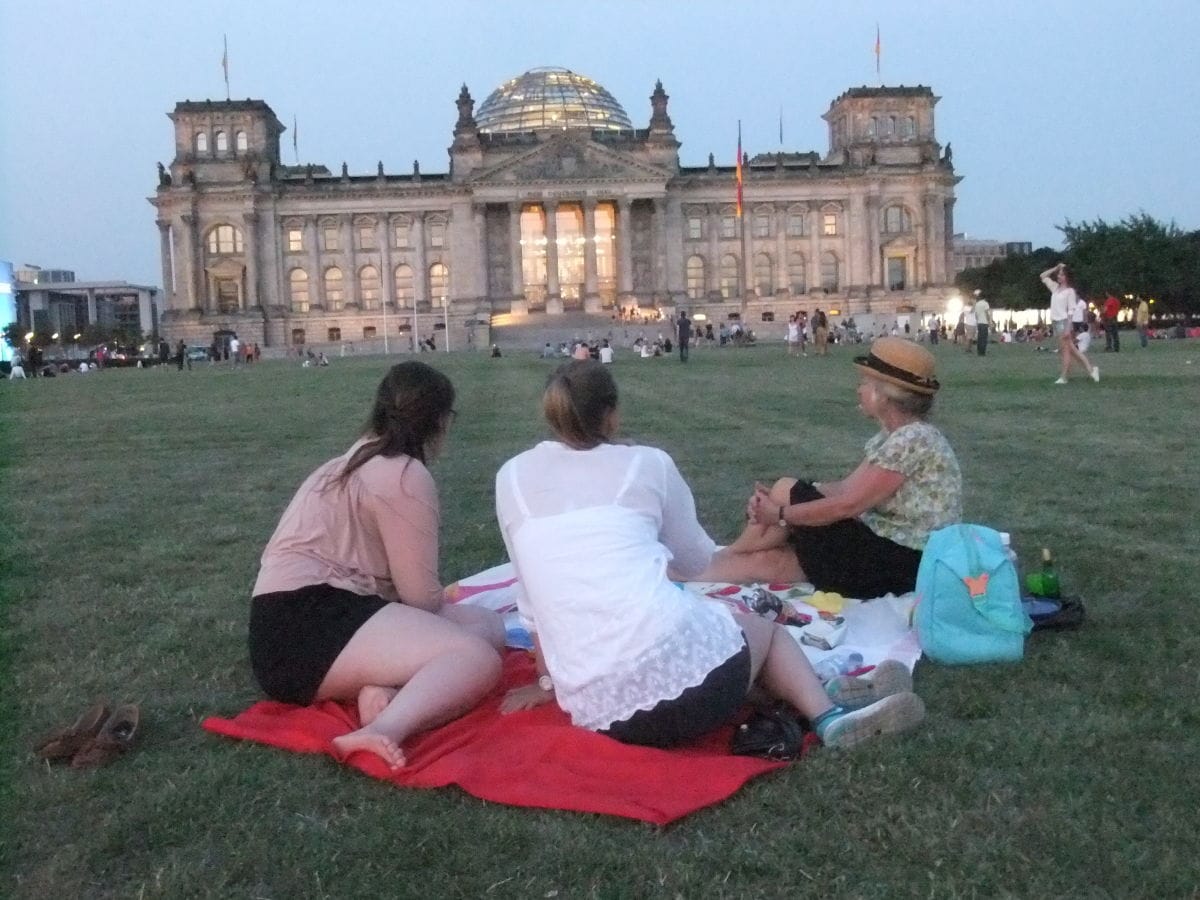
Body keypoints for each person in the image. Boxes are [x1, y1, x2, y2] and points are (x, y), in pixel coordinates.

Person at [495, 360, 924, 750]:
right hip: (693, 694)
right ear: (612, 414)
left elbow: (532, 600)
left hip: (599, 710)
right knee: (758, 627)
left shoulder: (511, 476)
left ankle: (822, 691)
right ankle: (828, 718)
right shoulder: (647, 464)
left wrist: (548, 682)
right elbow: (696, 559)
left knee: (710, 647)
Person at [249, 362, 505, 767]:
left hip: (287, 628)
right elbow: (420, 599)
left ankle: (379, 685)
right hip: (310, 624)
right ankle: (383, 729)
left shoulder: (344, 464)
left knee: (488, 626)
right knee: (477, 657)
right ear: (439, 421)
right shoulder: (403, 473)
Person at [697, 338, 962, 599]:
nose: (859, 390)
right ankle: (682, 571)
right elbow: (847, 488)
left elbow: (849, 505)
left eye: (865, 383)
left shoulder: (913, 439)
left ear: (886, 394)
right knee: (769, 562)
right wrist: (788, 499)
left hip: (902, 561)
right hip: (891, 553)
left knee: (786, 489)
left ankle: (727, 553)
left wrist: (780, 512)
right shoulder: (896, 436)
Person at [1041, 263, 1098, 384]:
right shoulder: (1055, 288)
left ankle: (1064, 377)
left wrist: (1068, 327)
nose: (1059, 276)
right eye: (1059, 274)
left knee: (1066, 351)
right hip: (1056, 322)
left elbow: (1071, 310)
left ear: (1067, 277)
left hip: (1063, 322)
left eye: (1062, 274)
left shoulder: (1070, 291)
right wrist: (1055, 267)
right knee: (1072, 350)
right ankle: (1091, 370)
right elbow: (1043, 276)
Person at [972, 290, 992, 356]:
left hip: (979, 323)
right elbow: (987, 313)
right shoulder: (985, 303)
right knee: (984, 338)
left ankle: (979, 351)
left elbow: (976, 314)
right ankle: (982, 352)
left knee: (979, 337)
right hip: (984, 323)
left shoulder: (977, 304)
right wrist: (989, 322)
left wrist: (977, 321)